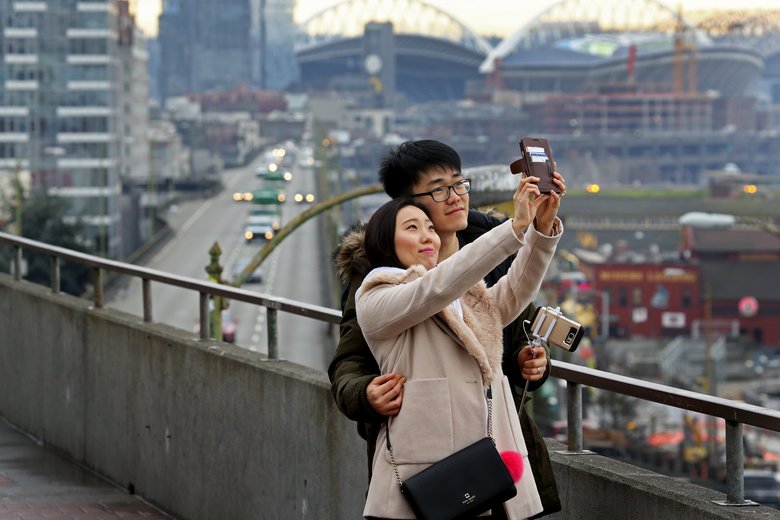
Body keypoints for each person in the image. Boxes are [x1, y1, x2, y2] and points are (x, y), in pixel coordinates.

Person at [329, 140, 562, 515]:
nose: (455, 197)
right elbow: (435, 288)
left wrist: (541, 229)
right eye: (439, 189)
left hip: (493, 445)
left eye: (458, 184)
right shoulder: (375, 287)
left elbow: (510, 299)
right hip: (430, 457)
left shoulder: (485, 259)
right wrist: (364, 394)